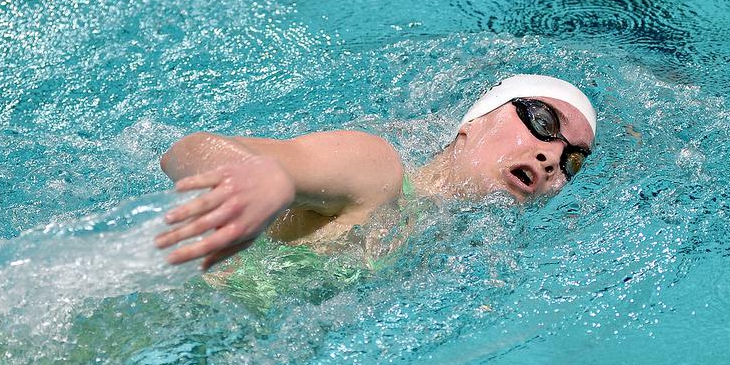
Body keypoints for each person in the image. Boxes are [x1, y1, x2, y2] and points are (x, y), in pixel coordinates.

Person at [155, 74, 596, 272]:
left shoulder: (443, 254)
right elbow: (186, 150)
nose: (552, 156)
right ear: (470, 126)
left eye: (572, 161)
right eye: (542, 121)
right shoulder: (376, 171)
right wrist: (259, 177)